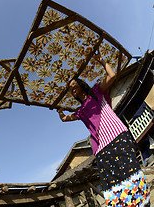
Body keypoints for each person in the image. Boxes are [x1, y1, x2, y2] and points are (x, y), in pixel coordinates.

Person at [57, 52, 150, 206]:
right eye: (70, 88)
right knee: (114, 185)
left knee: (130, 173)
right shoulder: (80, 111)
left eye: (74, 84)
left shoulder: (96, 92)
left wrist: (102, 61)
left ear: (81, 85)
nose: (72, 88)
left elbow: (112, 76)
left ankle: (142, 203)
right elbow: (64, 119)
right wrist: (59, 111)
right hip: (101, 149)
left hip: (117, 136)